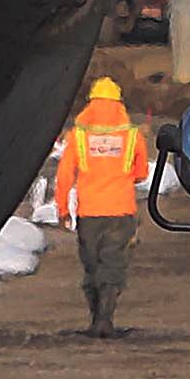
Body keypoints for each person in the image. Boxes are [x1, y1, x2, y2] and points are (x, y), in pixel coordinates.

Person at [52, 78, 152, 338]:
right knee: (113, 266)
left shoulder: (79, 136)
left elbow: (64, 175)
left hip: (89, 215)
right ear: (119, 103)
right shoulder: (132, 135)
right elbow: (141, 173)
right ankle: (105, 320)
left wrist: (62, 209)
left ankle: (96, 319)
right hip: (121, 213)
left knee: (93, 267)